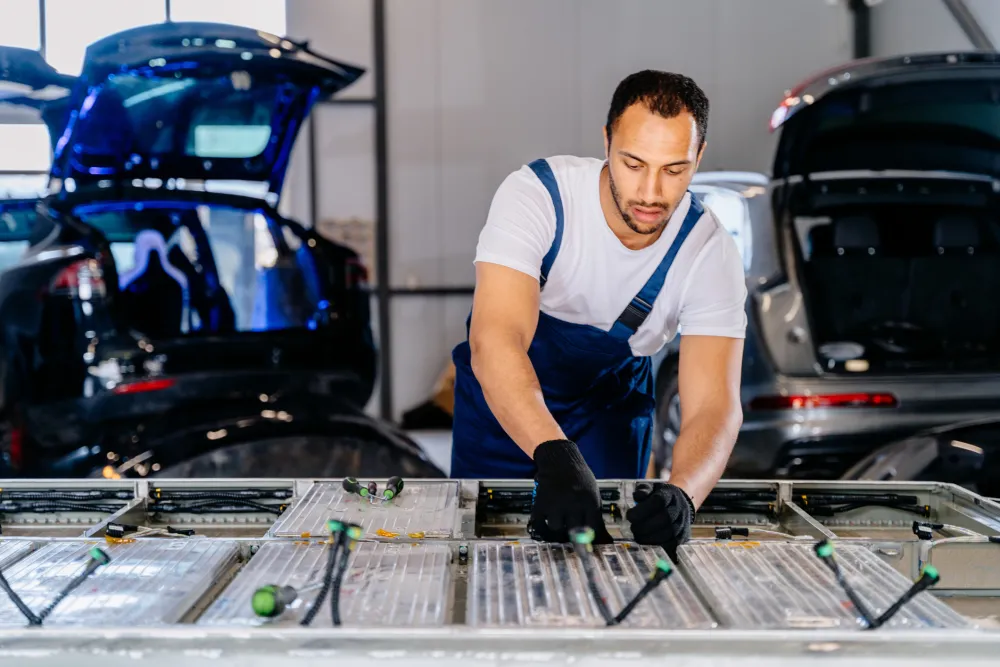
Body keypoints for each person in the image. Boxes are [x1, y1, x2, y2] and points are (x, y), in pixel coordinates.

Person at [450, 70, 746, 554]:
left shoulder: (707, 250)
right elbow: (495, 340)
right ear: (606, 140)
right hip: (501, 406)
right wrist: (554, 451)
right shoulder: (540, 195)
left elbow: (715, 404)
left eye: (674, 169)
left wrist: (684, 495)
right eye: (634, 163)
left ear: (700, 157)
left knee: (605, 563)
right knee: (485, 555)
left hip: (607, 412)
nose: (651, 192)